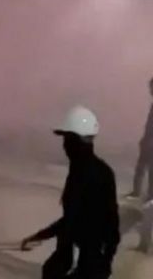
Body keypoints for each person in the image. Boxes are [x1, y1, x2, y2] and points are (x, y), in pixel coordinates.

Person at [21, 106, 120, 279]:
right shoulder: (100, 171)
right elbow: (109, 225)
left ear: (76, 140)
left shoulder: (83, 174)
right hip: (88, 262)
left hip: (82, 264)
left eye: (67, 139)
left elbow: (75, 221)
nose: (64, 145)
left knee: (51, 269)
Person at [126, 77, 153, 202]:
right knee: (142, 167)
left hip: (150, 143)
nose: (150, 91)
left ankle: (146, 195)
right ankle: (140, 193)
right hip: (148, 141)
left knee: (147, 168)